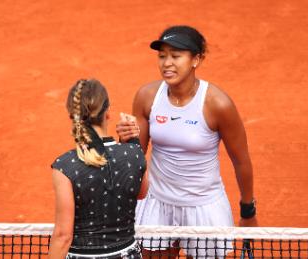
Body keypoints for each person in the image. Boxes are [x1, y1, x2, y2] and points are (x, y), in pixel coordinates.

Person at [116, 25, 257, 258]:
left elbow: (241, 161)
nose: (167, 63)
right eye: (162, 56)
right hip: (158, 203)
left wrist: (248, 211)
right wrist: (126, 139)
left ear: (196, 60)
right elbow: (134, 158)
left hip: (204, 207)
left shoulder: (218, 104)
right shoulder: (147, 97)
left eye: (175, 56)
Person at [48, 79, 149, 259]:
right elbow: (141, 193)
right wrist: (132, 142)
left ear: (73, 117)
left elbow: (63, 236)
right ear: (108, 112)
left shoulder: (64, 165)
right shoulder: (134, 154)